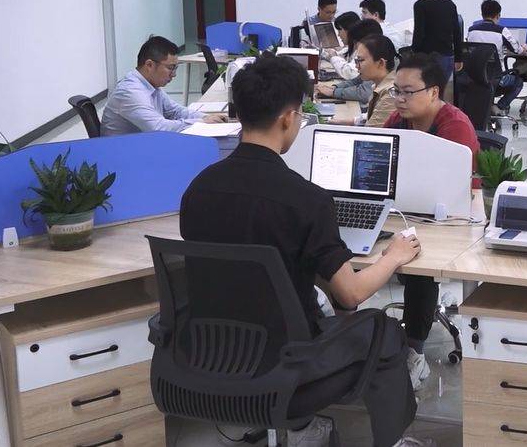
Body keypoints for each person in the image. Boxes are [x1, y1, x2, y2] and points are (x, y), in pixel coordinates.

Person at [178, 53, 419, 446]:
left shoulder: (197, 190)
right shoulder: (306, 200)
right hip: (289, 372)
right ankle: (393, 442)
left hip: (211, 359)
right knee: (385, 330)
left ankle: (303, 429)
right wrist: (393, 256)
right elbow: (351, 294)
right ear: (288, 118)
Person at [382, 53, 480, 390]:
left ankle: (415, 351)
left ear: (434, 92)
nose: (399, 99)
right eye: (396, 91)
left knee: (419, 267)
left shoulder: (454, 126)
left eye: (408, 92)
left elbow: (455, 188)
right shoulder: (397, 121)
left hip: (447, 219)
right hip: (402, 211)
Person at [102, 36, 226, 136]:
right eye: (171, 68)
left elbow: (175, 111)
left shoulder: (150, 85)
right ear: (149, 65)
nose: (174, 74)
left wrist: (207, 117)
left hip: (141, 145)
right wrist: (201, 122)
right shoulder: (130, 92)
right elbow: (159, 128)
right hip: (123, 153)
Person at [466, 0, 527, 116]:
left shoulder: (471, 30)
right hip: (496, 77)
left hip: (475, 76)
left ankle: (487, 106)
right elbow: (518, 50)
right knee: (518, 82)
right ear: (498, 15)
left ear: (482, 14)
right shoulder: (501, 31)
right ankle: (499, 107)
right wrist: (524, 48)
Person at [410, 0, 462, 87]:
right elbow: (456, 32)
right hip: (448, 57)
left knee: (427, 92)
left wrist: (414, 53)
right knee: (440, 92)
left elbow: (419, 33)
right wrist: (459, 58)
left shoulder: (420, 5)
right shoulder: (450, 3)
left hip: (428, 58)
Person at [316, 19, 383, 105]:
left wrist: (333, 92)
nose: (356, 46)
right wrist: (334, 88)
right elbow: (357, 80)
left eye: (356, 42)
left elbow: (364, 93)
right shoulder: (372, 56)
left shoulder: (376, 59)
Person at [351, 34, 398, 127]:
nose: (356, 66)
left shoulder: (391, 93)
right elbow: (369, 119)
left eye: (360, 60)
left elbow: (372, 131)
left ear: (381, 63)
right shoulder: (379, 85)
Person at [320, 12, 362, 81]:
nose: (339, 35)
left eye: (340, 31)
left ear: (349, 30)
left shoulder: (362, 50)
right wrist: (319, 50)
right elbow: (337, 55)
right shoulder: (351, 48)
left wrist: (334, 57)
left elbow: (350, 73)